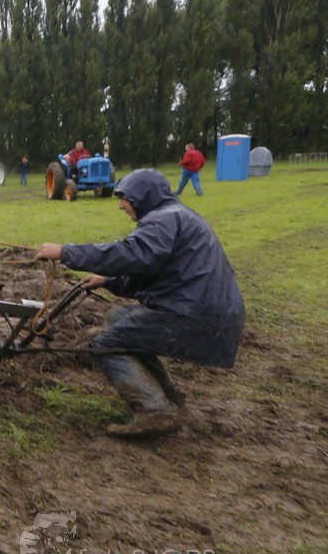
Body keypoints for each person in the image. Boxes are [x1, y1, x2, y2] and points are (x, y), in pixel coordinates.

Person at [34, 169, 244, 439]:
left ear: (144, 196)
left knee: (104, 344)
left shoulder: (162, 221)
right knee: (119, 317)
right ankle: (167, 394)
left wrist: (65, 251)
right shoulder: (177, 216)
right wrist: (108, 281)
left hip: (193, 314)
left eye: (126, 198)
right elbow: (149, 271)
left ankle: (154, 409)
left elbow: (132, 255)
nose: (121, 205)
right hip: (207, 311)